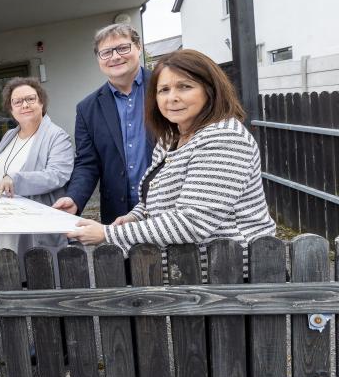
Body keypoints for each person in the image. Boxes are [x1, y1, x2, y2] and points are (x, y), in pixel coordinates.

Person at [67, 49, 276, 253]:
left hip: (232, 266)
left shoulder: (225, 138)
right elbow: (157, 196)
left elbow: (192, 222)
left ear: (210, 90)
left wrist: (108, 234)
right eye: (164, 90)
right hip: (189, 266)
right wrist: (135, 216)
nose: (172, 98)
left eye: (185, 87)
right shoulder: (171, 138)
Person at [53, 24, 154, 224]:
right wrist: (75, 197)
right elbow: (87, 163)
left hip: (167, 206)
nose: (115, 57)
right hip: (118, 214)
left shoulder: (164, 88)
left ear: (138, 47)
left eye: (123, 48)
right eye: (106, 52)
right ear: (98, 59)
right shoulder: (87, 109)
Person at [0, 77, 74, 272]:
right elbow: (4, 169)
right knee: (10, 279)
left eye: (30, 99)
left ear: (41, 102)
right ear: (11, 109)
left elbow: (57, 174)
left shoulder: (56, 136)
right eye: (17, 101)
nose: (25, 105)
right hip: (2, 225)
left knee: (36, 278)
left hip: (33, 227)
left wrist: (15, 180)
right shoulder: (9, 135)